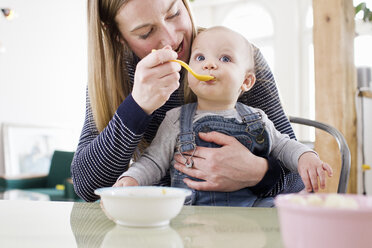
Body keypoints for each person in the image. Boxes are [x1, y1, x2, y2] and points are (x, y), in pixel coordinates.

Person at [72, 0, 309, 202]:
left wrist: (259, 173)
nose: (170, 39)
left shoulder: (237, 60)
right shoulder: (115, 77)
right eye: (146, 32)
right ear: (119, 37)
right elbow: (86, 187)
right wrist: (137, 107)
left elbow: (298, 179)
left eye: (174, 13)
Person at [113, 26, 333, 206]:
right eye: (199, 57)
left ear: (246, 82)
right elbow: (153, 161)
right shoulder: (175, 119)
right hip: (190, 215)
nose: (209, 64)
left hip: (250, 213)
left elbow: (285, 145)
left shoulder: (257, 118)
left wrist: (306, 157)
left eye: (225, 59)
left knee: (284, 210)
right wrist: (131, 179)